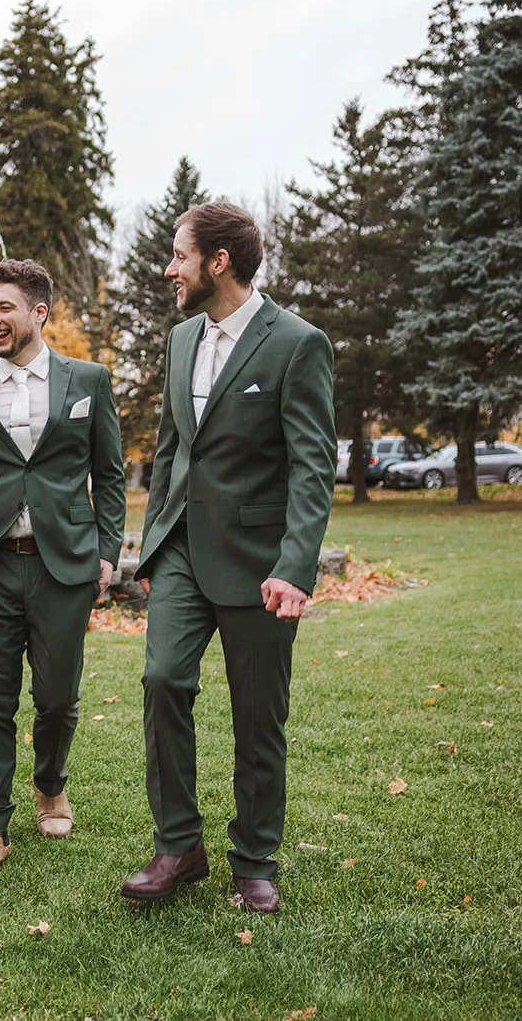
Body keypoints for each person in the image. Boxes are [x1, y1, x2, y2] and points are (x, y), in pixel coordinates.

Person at [122, 203, 336, 914]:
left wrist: (295, 566)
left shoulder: (299, 344)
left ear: (217, 261)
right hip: (182, 547)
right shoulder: (181, 338)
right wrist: (154, 543)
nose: (168, 269)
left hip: (260, 560)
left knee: (258, 715)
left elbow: (312, 465)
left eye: (178, 255)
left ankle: (254, 859)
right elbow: (170, 448)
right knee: (161, 679)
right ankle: (178, 844)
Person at [0, 259, 125, 881]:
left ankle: (51, 784)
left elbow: (110, 474)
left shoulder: (89, 381)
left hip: (64, 566)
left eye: (4, 308)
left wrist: (107, 552)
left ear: (38, 312)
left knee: (55, 698)